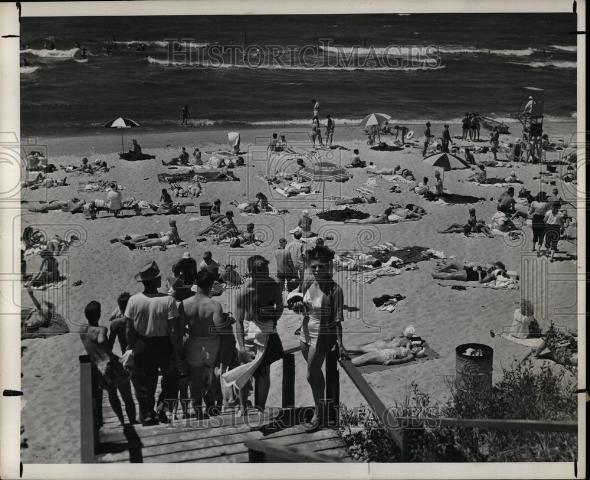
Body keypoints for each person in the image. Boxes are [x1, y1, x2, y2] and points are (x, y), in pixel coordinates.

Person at [289, 245, 347, 430]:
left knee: (309, 374)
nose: (316, 269)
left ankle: (318, 414)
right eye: (313, 266)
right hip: (306, 332)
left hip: (323, 335)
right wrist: (298, 307)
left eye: (320, 266)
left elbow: (338, 319)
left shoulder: (335, 290)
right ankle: (322, 407)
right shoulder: (307, 283)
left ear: (328, 266)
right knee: (315, 375)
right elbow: (304, 306)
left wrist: (341, 344)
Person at [124, 261, 187, 425]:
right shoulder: (168, 300)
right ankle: (163, 408)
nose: (160, 279)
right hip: (164, 344)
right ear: (152, 281)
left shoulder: (133, 300)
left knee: (146, 382)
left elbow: (129, 329)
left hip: (143, 344)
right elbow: (173, 330)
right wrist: (177, 350)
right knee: (171, 379)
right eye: (157, 277)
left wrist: (130, 347)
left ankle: (148, 413)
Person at [223, 256, 284, 415]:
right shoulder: (244, 292)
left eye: (266, 271)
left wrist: (271, 316)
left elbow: (280, 308)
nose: (266, 275)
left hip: (267, 330)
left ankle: (260, 407)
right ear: (252, 273)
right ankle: (243, 407)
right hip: (249, 332)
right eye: (261, 272)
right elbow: (239, 321)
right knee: (245, 371)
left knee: (264, 372)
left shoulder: (273, 286)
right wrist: (241, 347)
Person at [80, 301, 137, 426]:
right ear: (98, 315)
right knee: (126, 395)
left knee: (112, 394)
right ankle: (133, 421)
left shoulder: (82, 330)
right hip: (110, 365)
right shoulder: (101, 330)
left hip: (98, 367)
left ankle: (122, 421)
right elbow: (104, 346)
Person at [183, 270, 231, 417]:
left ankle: (198, 411)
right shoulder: (214, 305)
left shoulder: (185, 304)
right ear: (211, 286)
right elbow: (220, 329)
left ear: (196, 284)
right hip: (212, 344)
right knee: (212, 378)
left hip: (193, 343)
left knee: (195, 382)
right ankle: (210, 406)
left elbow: (179, 330)